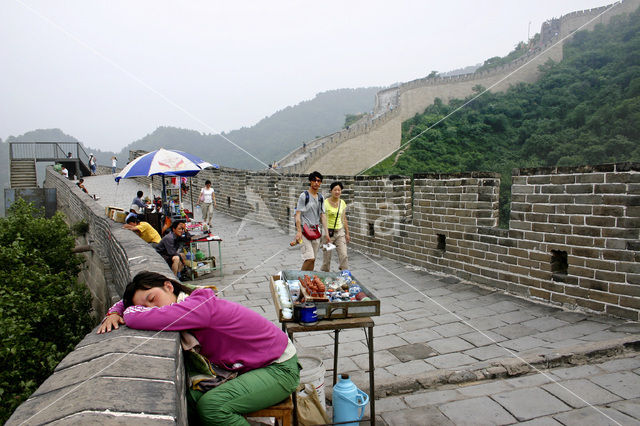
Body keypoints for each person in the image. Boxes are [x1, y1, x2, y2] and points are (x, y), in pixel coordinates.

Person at [97, 271, 300, 426]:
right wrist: (115, 310)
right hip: (252, 365)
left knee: (212, 406)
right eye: (146, 306)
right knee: (190, 399)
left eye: (152, 299)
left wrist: (127, 311)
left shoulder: (197, 307)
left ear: (169, 286)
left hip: (279, 367)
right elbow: (139, 310)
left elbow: (137, 317)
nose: (154, 310)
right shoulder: (188, 299)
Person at [294, 171, 329, 271]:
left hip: (315, 231)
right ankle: (299, 279)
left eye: (319, 181)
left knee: (313, 260)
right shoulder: (304, 196)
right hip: (305, 231)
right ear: (310, 181)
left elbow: (322, 215)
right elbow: (298, 214)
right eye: (314, 180)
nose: (316, 183)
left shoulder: (321, 198)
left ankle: (307, 281)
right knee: (309, 258)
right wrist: (299, 231)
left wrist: (326, 233)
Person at [321, 181, 350, 271]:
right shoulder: (325, 203)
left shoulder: (342, 203)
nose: (337, 192)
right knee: (327, 257)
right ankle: (325, 275)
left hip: (339, 232)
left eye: (339, 190)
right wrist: (326, 234)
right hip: (328, 232)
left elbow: (344, 218)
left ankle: (344, 274)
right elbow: (323, 218)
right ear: (331, 191)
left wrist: (347, 233)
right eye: (335, 190)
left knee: (344, 255)